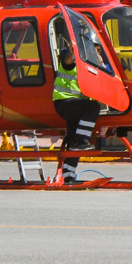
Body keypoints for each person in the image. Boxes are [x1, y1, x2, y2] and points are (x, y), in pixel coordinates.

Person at [52, 47, 101, 184]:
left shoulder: (88, 67)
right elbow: (67, 60)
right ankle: (81, 143)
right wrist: (75, 51)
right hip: (65, 103)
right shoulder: (70, 63)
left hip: (76, 107)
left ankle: (68, 175)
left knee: (73, 141)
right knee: (94, 107)